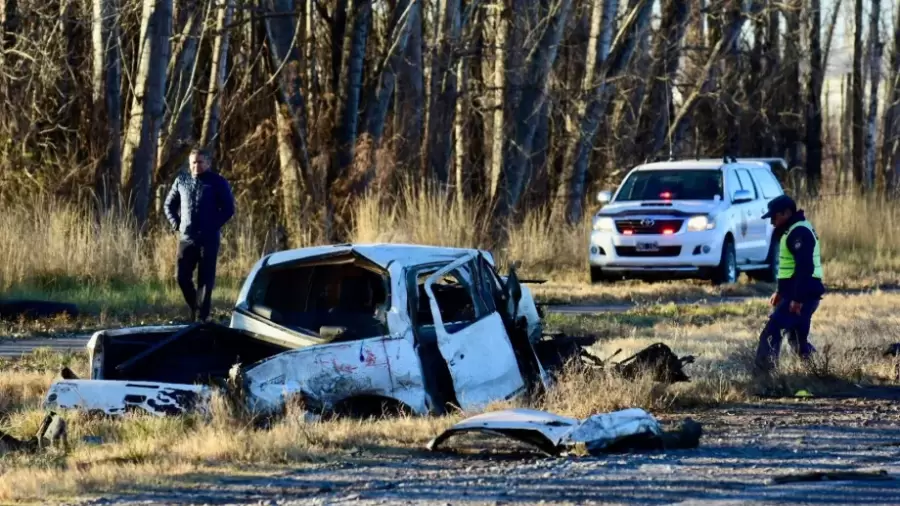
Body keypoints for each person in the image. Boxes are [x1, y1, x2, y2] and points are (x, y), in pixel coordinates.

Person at [754, 194, 826, 372]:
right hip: (800, 294)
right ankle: (820, 372)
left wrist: (797, 299)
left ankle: (764, 378)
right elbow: (789, 268)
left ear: (786, 213)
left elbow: (804, 268)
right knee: (796, 340)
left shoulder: (798, 232)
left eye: (774, 216)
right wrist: (780, 291)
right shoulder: (793, 230)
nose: (772, 222)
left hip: (802, 295)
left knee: (771, 334)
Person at [164, 147, 236, 322]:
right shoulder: (181, 180)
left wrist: (212, 226)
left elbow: (228, 209)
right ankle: (198, 310)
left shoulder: (217, 182)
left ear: (208, 163)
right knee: (181, 277)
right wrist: (177, 224)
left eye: (200, 162)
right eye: (193, 162)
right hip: (187, 237)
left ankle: (201, 319)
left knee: (205, 279)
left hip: (208, 239)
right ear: (189, 164)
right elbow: (168, 205)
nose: (196, 165)